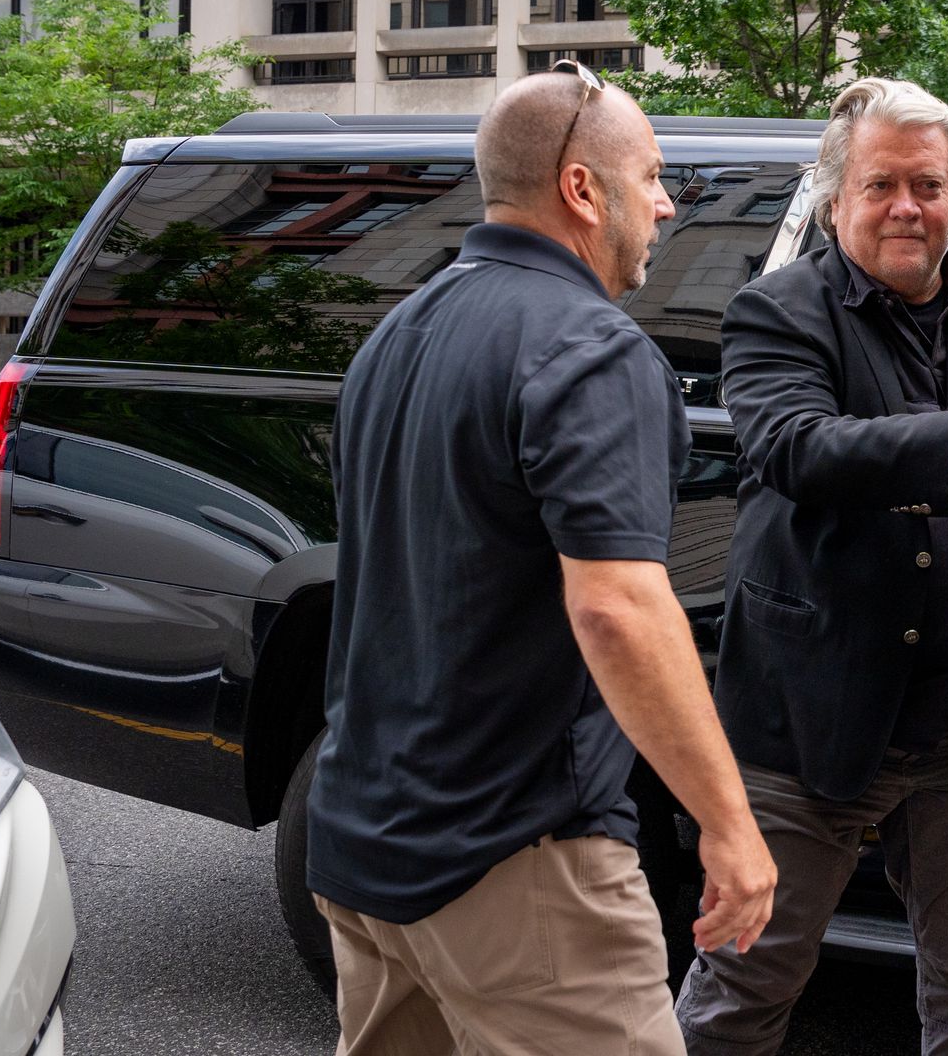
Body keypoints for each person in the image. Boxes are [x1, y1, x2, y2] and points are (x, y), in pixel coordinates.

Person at [306, 63, 775, 1055]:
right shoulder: (592, 347)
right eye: (652, 176)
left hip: (360, 844)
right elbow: (618, 609)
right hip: (515, 863)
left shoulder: (393, 336)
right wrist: (730, 825)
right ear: (581, 189)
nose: (667, 203)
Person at [675, 77, 948, 1056]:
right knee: (746, 987)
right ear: (838, 198)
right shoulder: (778, 310)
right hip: (813, 716)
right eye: (882, 185)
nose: (908, 206)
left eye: (929, 186)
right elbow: (798, 449)